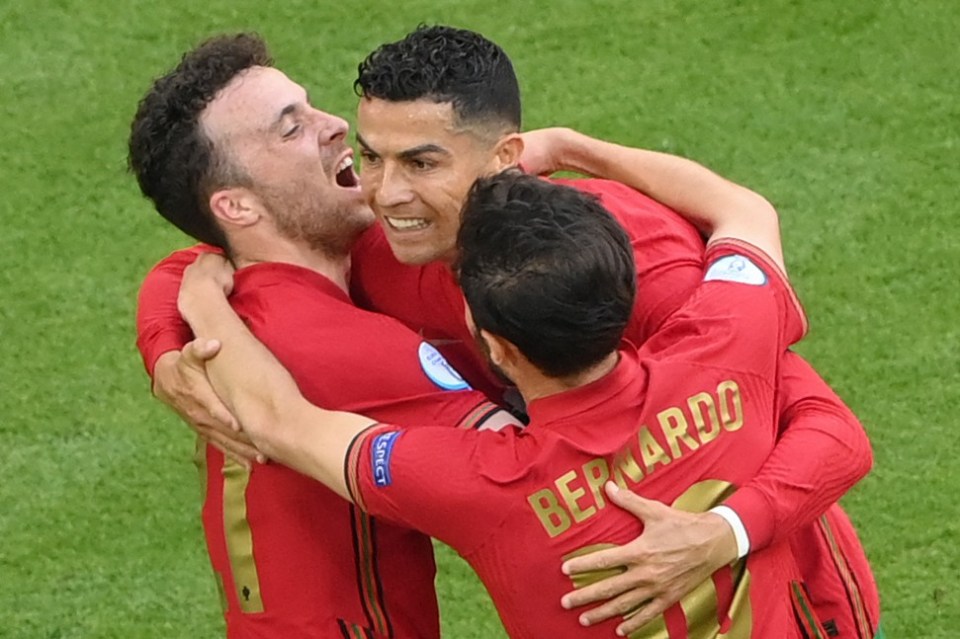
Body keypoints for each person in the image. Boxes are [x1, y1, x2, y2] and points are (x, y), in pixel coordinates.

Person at [138, 26, 879, 638]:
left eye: (421, 162)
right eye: (372, 155)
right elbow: (263, 255)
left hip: (797, 592)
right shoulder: (393, 244)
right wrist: (169, 306)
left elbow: (826, 427)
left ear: (504, 158)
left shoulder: (631, 257)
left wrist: (725, 528)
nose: (385, 190)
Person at [176, 163, 817, 638]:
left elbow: (276, 422)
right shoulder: (724, 343)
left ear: (496, 350)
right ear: (624, 288)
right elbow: (747, 212)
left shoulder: (480, 484)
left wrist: (198, 291)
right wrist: (577, 146)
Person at [128, 33, 517, 638]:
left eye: (308, 106)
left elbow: (194, 259)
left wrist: (171, 321)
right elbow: (530, 476)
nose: (336, 125)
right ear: (236, 208)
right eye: (290, 129)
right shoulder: (340, 346)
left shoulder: (228, 298)